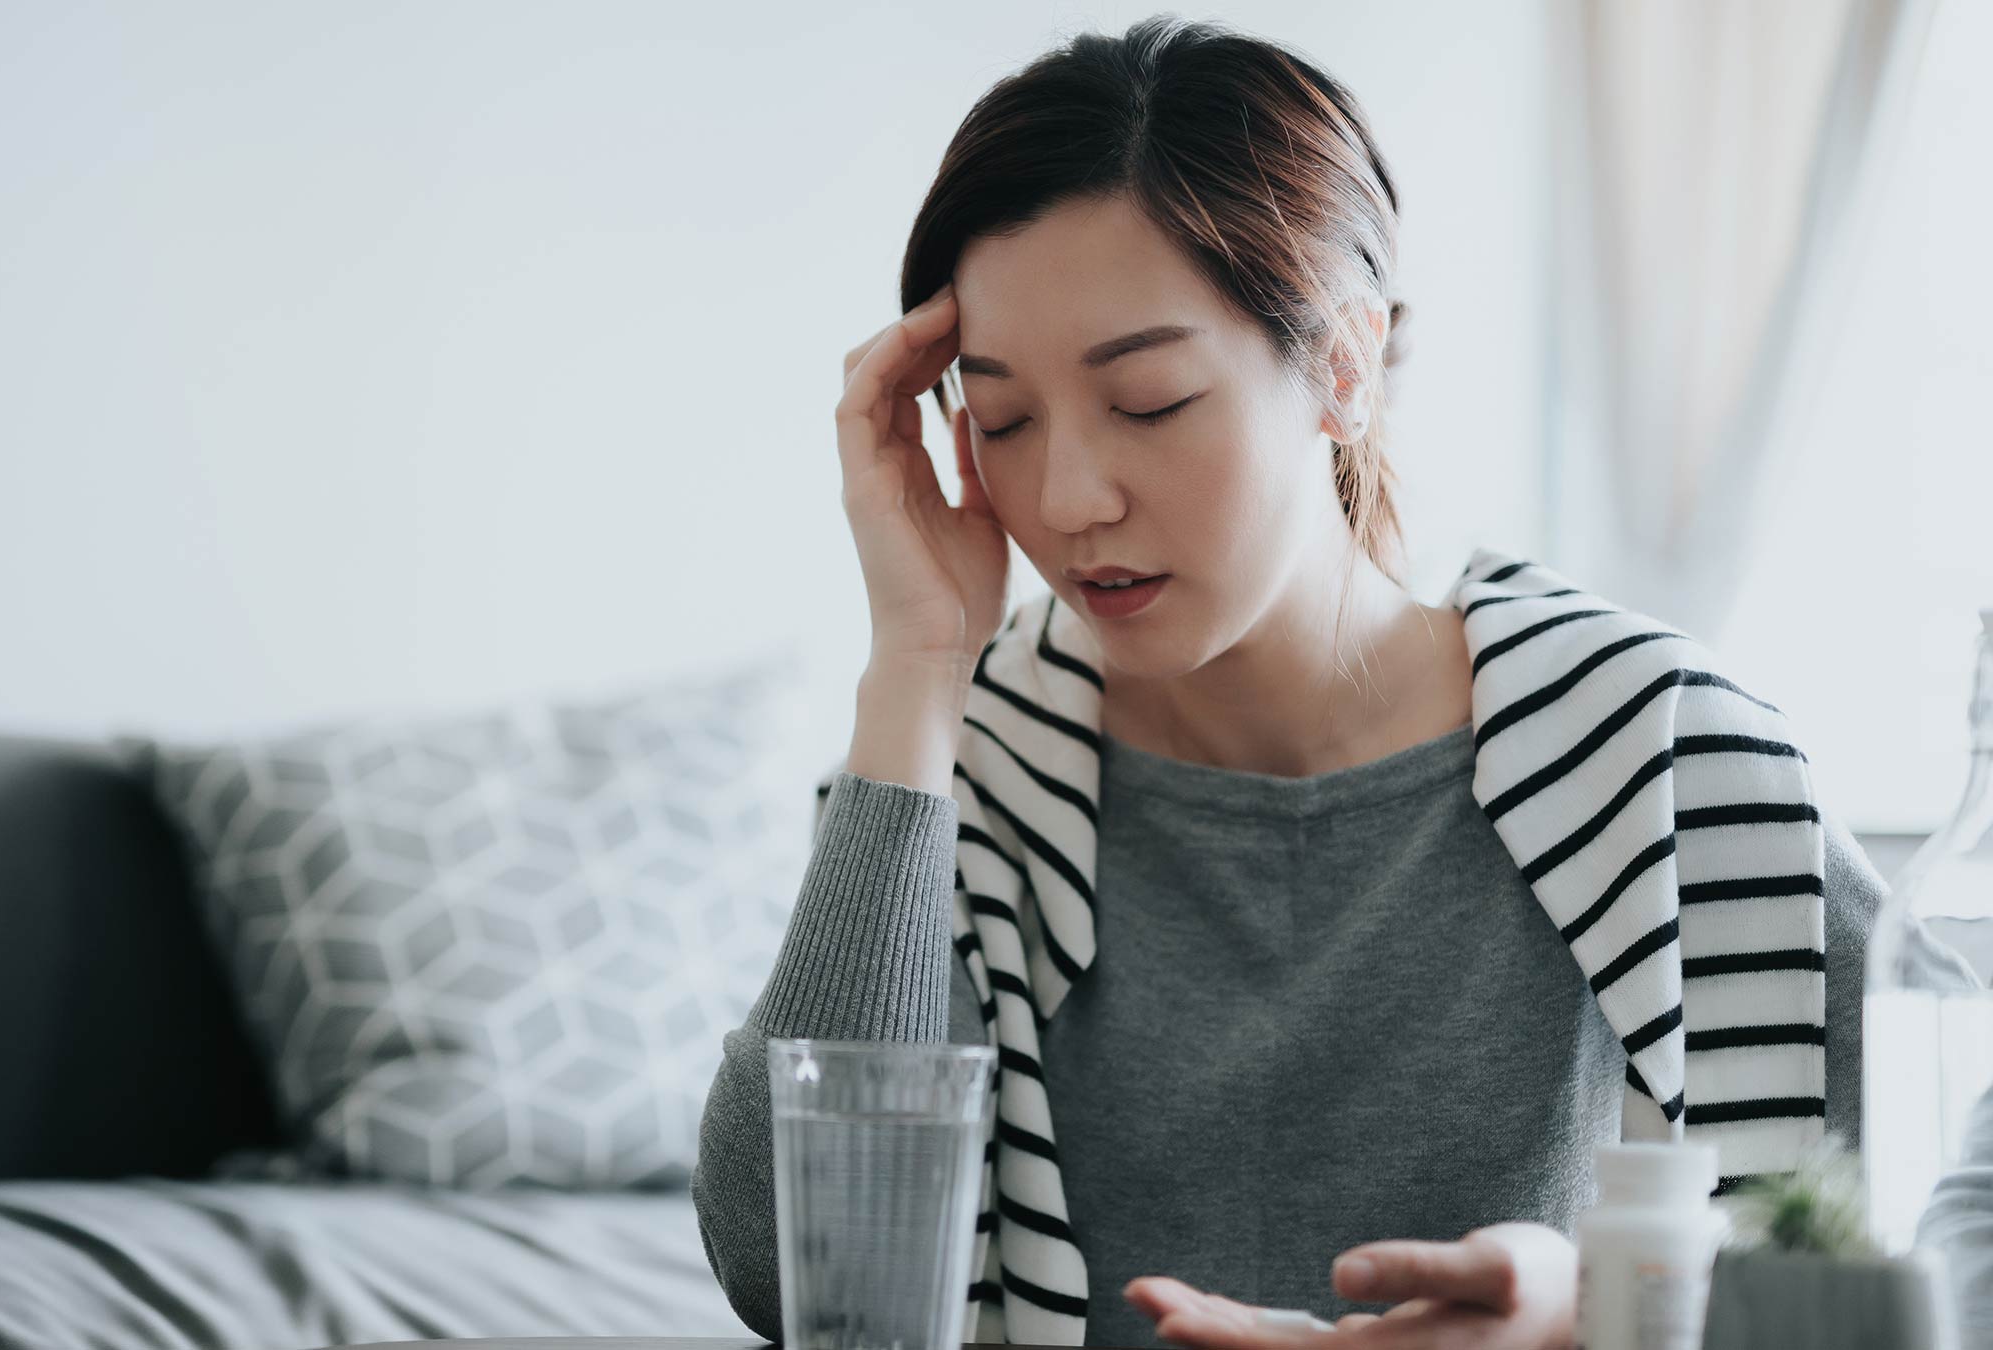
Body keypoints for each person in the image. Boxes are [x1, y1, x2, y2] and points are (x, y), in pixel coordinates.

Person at [689, 15, 1883, 1349]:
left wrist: (1603, 1307)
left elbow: (1938, 1221)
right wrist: (912, 669)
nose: (1068, 498)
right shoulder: (965, 775)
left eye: (1146, 400)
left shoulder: (1647, 752)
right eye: (1004, 421)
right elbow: (787, 1274)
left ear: (1344, 365)